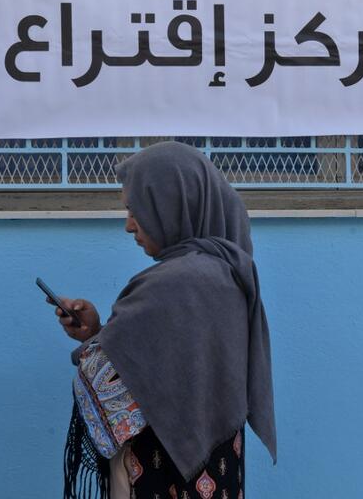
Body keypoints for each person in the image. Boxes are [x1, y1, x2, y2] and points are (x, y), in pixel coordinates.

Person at [49, 141, 277, 499]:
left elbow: (109, 379)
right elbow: (167, 365)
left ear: (172, 206)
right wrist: (96, 334)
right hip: (217, 473)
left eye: (136, 209)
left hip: (158, 473)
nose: (128, 226)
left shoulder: (173, 284)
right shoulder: (227, 272)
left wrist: (94, 346)